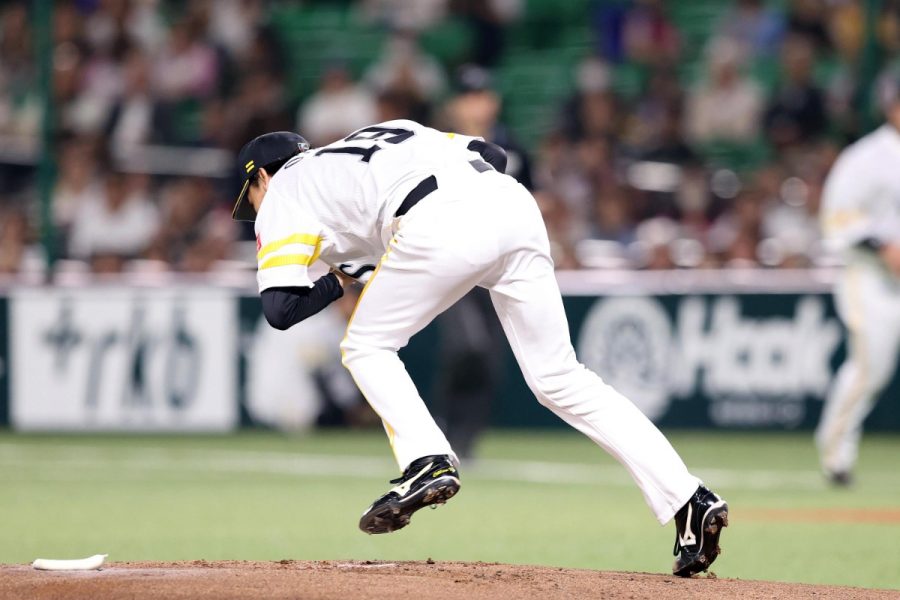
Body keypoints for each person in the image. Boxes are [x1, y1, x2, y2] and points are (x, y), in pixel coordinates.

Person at [231, 119, 728, 577]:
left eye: (249, 196)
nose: (252, 206)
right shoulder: (375, 138)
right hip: (512, 205)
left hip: (439, 220)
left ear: (262, 177)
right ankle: (690, 498)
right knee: (560, 377)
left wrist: (335, 283)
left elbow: (280, 308)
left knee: (366, 345)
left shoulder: (283, 189)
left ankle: (427, 460)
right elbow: (493, 153)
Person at [815, 76, 900, 486]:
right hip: (869, 276)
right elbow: (837, 217)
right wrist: (883, 245)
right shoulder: (867, 157)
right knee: (871, 368)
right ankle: (837, 455)